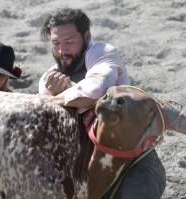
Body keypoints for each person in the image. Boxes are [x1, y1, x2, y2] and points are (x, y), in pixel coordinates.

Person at [38, 8, 166, 199]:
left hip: (132, 159)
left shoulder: (103, 53)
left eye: (69, 42)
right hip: (83, 166)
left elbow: (97, 90)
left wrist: (57, 96)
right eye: (55, 43)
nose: (62, 51)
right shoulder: (48, 79)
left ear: (86, 36)